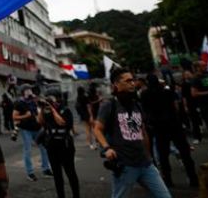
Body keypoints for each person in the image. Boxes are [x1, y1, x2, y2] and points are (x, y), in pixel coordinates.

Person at [94, 68, 171, 198]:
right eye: (128, 81)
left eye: (133, 80)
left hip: (145, 164)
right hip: (125, 165)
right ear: (116, 85)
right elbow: (97, 129)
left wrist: (149, 157)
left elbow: (143, 132)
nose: (132, 83)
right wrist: (107, 148)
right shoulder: (109, 105)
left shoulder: (137, 105)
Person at [140, 74, 198, 187]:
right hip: (173, 124)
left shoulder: (145, 94)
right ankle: (193, 178)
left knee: (163, 155)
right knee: (185, 152)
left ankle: (168, 180)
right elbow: (175, 106)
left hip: (158, 126)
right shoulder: (167, 92)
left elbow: (145, 110)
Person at [37, 91, 79, 198]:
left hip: (65, 146)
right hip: (52, 146)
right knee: (57, 175)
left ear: (58, 99)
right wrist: (42, 109)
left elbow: (62, 123)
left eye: (51, 98)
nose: (49, 101)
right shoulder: (46, 111)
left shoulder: (66, 110)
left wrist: (53, 110)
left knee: (70, 173)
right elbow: (40, 122)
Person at [13, 84, 52, 181]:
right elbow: (14, 117)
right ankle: (30, 173)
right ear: (23, 92)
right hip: (26, 129)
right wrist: (25, 116)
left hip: (37, 128)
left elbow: (40, 110)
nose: (29, 91)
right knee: (28, 150)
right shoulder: (19, 103)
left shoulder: (33, 101)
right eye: (27, 90)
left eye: (30, 89)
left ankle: (46, 169)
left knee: (44, 148)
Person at [190, 60, 208, 157]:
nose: (205, 66)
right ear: (197, 67)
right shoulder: (195, 79)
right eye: (203, 65)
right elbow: (194, 94)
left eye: (205, 65)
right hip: (206, 107)